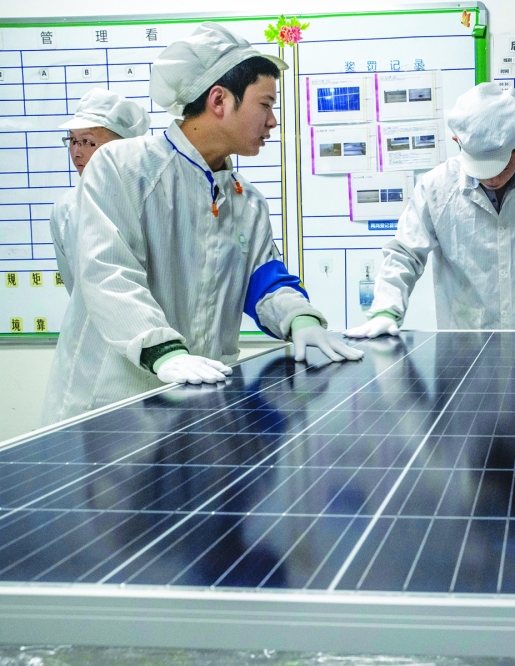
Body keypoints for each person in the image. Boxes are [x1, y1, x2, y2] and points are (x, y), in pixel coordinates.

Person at [40, 22, 362, 426]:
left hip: (198, 400)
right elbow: (108, 275)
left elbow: (263, 280)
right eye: (265, 104)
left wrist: (300, 317)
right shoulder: (124, 168)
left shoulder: (247, 200)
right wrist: (164, 353)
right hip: (115, 402)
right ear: (219, 100)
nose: (273, 121)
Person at [344, 82, 515, 338]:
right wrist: (386, 310)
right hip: (461, 341)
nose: (491, 179)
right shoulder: (436, 187)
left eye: (500, 166)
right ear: (458, 142)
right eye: (479, 165)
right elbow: (405, 254)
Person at [50, 89, 151, 295]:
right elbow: (76, 287)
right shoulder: (67, 209)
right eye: (72, 140)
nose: (76, 152)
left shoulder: (151, 199)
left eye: (87, 141)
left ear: (122, 146)